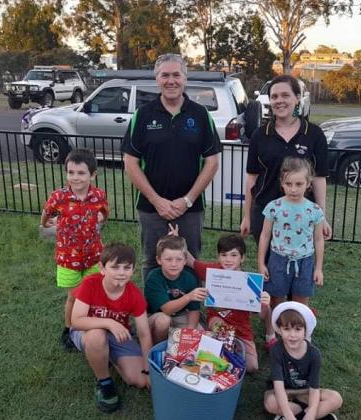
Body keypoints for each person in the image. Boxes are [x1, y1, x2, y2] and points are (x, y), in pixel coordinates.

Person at [122, 53, 221, 280]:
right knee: (152, 261)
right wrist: (157, 201)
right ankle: (155, 303)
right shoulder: (143, 115)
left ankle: (190, 303)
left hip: (191, 209)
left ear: (185, 78)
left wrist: (187, 200)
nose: (171, 81)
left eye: (176, 75)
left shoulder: (201, 115)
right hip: (151, 208)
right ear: (157, 79)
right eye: (165, 75)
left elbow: (212, 162)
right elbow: (130, 162)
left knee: (189, 261)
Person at [240, 74, 332, 243]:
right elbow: (252, 178)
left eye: (285, 95)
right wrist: (247, 216)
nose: (279, 100)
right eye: (274, 96)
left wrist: (322, 217)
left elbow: (319, 179)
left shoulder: (314, 134)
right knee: (266, 260)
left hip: (303, 216)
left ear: (297, 98)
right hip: (266, 214)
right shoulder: (259, 135)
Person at [167, 224, 270, 372]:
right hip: (217, 320)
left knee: (251, 366)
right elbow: (191, 261)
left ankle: (225, 350)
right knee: (221, 330)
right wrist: (178, 240)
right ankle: (219, 350)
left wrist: (264, 304)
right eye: (223, 255)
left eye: (233, 255)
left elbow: (261, 315)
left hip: (241, 329)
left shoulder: (250, 283)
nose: (228, 259)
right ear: (218, 256)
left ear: (242, 258)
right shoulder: (213, 271)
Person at [70, 244, 152, 413]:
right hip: (86, 331)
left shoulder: (135, 294)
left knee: (139, 380)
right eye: (115, 267)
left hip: (118, 334)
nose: (121, 272)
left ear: (133, 270)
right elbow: (76, 320)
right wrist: (109, 322)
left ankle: (106, 355)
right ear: (102, 268)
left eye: (126, 268)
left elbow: (144, 334)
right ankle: (104, 382)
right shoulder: (90, 284)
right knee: (96, 336)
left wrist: (148, 370)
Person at [40, 148, 109, 351]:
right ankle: (69, 329)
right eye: (71, 172)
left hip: (93, 256)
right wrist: (45, 223)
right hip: (68, 258)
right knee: (76, 296)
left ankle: (94, 327)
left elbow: (105, 211)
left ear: (92, 174)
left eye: (81, 173)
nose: (75, 177)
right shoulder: (59, 197)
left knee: (94, 294)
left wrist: (102, 218)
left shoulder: (98, 195)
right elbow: (46, 212)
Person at [258, 157, 325, 349]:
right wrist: (261, 263)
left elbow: (318, 239)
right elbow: (265, 235)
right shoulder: (274, 207)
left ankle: (300, 335)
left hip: (305, 262)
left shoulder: (314, 210)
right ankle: (271, 332)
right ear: (282, 183)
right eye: (289, 184)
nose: (293, 189)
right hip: (278, 260)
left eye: (299, 184)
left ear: (308, 183)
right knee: (276, 300)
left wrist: (318, 268)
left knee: (300, 302)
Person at [264, 302, 342, 420]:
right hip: (283, 391)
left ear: (305, 331)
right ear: (279, 330)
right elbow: (278, 387)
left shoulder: (314, 354)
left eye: (298, 329)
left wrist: (311, 413)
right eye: (286, 329)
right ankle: (303, 414)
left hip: (305, 391)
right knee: (270, 403)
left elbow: (314, 389)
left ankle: (298, 416)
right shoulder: (276, 350)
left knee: (336, 398)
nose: (292, 335)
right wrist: (289, 415)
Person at [144, 235, 208, 343]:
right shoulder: (154, 278)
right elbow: (166, 309)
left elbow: (194, 310)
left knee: (201, 334)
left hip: (181, 315)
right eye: (168, 259)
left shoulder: (189, 278)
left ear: (185, 261)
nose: (174, 264)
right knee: (163, 321)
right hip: (156, 317)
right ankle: (159, 347)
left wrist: (189, 332)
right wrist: (188, 297)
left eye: (179, 259)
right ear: (159, 260)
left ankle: (178, 347)